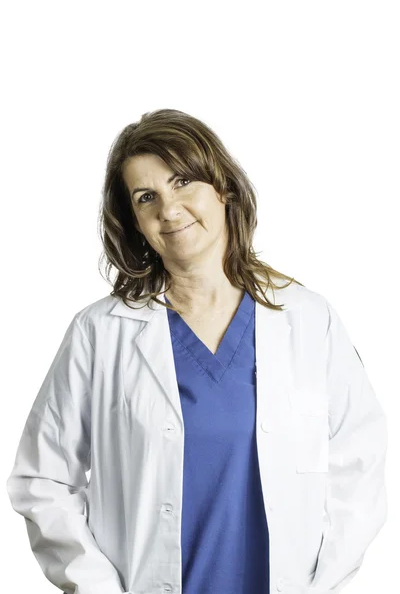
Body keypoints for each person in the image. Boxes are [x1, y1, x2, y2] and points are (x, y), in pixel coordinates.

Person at [6, 108, 388, 594]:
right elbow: (43, 479)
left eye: (183, 182)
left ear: (222, 188)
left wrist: (322, 581)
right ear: (135, 221)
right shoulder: (99, 333)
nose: (169, 209)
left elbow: (361, 459)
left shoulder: (309, 320)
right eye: (147, 197)